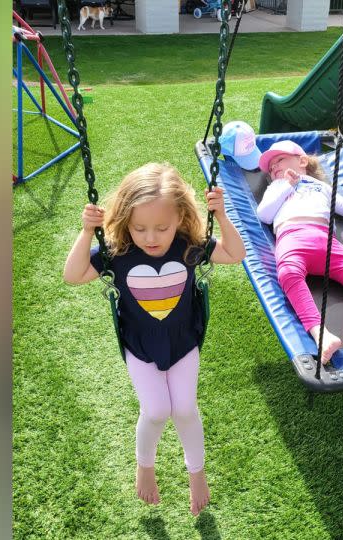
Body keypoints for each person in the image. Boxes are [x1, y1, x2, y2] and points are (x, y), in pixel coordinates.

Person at [63, 162, 246, 516]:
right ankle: (144, 465)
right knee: (157, 409)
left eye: (161, 227)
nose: (150, 237)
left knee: (186, 410)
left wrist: (221, 216)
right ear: (126, 223)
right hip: (140, 347)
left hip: (183, 342)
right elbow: (72, 275)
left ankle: (197, 473)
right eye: (140, 227)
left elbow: (235, 254)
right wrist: (87, 232)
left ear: (179, 217)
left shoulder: (188, 247)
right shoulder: (119, 254)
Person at [255, 140, 343, 365]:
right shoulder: (276, 187)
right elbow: (264, 215)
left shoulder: (322, 187)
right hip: (293, 236)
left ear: (302, 161)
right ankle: (320, 333)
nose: (274, 167)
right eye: (271, 167)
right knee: (288, 273)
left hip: (326, 240)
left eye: (280, 160)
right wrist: (286, 185)